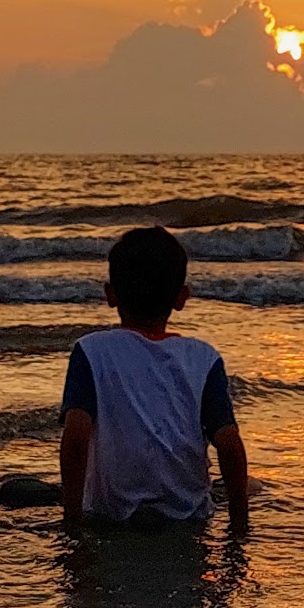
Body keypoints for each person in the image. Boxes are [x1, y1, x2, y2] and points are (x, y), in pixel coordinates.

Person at [58, 225, 249, 532]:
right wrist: (240, 526)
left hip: (111, 516)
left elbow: (76, 437)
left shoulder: (92, 350)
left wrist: (71, 520)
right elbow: (228, 443)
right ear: (181, 298)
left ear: (111, 294)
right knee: (254, 487)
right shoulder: (202, 357)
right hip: (188, 516)